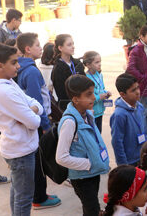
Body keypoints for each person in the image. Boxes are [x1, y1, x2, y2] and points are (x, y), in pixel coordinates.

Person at [0, 43, 45, 215]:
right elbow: (34, 122)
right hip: (20, 151)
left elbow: (35, 103)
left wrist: (30, 111)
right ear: (0, 66)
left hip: (20, 147)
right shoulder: (4, 91)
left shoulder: (8, 82)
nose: (18, 66)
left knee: (17, 192)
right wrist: (30, 113)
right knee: (24, 198)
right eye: (14, 62)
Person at [16, 33, 61, 210]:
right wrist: (44, 125)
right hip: (39, 123)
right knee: (40, 161)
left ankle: (40, 194)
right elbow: (37, 101)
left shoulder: (24, 68)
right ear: (28, 49)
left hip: (34, 123)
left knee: (38, 159)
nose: (41, 48)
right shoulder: (32, 71)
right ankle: (39, 198)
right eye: (37, 45)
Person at [56, 75, 110, 216]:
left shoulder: (86, 114)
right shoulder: (69, 122)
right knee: (92, 209)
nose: (94, 97)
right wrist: (88, 164)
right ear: (75, 99)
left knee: (91, 208)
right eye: (89, 94)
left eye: (93, 92)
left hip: (92, 172)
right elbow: (61, 157)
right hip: (82, 177)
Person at [126, 25, 147, 140]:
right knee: (143, 111)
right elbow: (131, 68)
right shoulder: (136, 50)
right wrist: (142, 77)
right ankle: (143, 135)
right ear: (141, 36)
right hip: (143, 86)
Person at [111, 73, 147, 166]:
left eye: (138, 87)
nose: (138, 92)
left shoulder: (140, 106)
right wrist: (123, 165)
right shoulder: (119, 115)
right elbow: (117, 142)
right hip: (129, 162)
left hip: (142, 157)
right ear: (122, 94)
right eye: (133, 90)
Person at [51, 34, 86, 111]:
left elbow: (85, 83)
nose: (73, 46)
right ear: (60, 48)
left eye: (73, 44)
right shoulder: (58, 68)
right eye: (69, 45)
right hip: (68, 107)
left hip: (82, 104)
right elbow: (61, 92)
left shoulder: (78, 63)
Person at [83, 51, 112, 132]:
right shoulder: (86, 78)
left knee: (99, 132)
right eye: (96, 62)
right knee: (94, 134)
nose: (99, 64)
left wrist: (106, 93)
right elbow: (88, 98)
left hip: (100, 111)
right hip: (92, 113)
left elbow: (101, 88)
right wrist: (100, 97)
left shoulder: (99, 75)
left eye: (100, 62)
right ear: (88, 65)